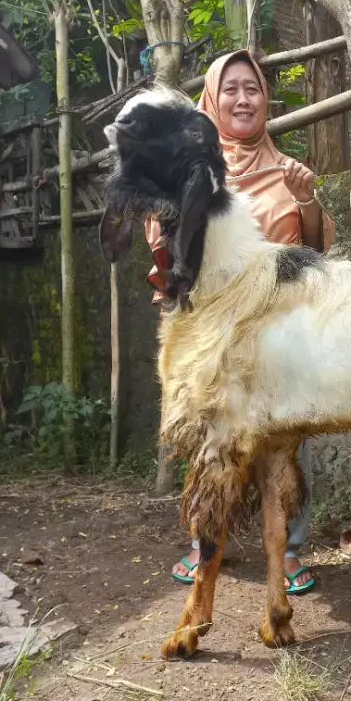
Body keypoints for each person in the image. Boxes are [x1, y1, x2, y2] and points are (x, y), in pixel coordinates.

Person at [145, 49, 335, 595]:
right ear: (212, 99)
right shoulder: (191, 172)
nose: (243, 98)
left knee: (287, 441)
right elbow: (165, 256)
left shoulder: (287, 170)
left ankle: (291, 551)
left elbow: (318, 250)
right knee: (211, 440)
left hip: (279, 332)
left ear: (265, 100)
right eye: (230, 88)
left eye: (252, 88)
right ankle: (206, 542)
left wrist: (309, 200)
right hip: (214, 335)